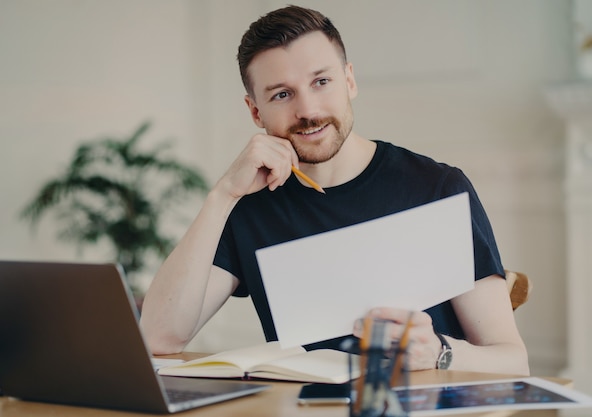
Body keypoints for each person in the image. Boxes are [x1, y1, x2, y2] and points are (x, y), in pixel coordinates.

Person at [140, 5, 529, 376]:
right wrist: (223, 193)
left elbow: (513, 360)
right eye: (281, 94)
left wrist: (441, 352)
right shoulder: (249, 206)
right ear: (255, 112)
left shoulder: (437, 188)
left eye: (321, 82)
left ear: (349, 81)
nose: (308, 110)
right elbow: (159, 336)